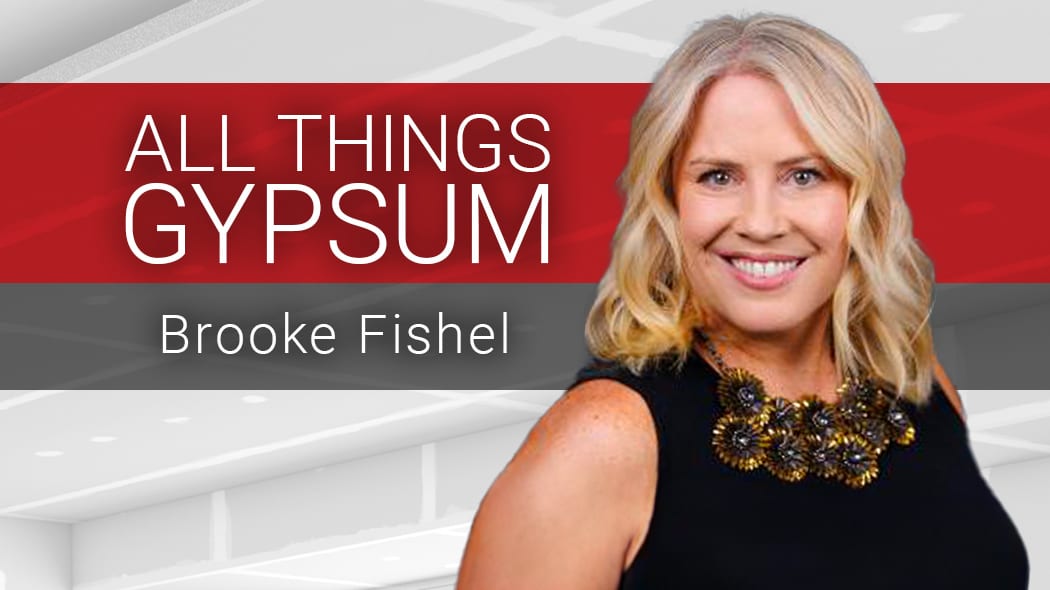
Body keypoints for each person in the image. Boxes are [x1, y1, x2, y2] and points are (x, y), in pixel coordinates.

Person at [455, 12, 1029, 590]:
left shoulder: (917, 383)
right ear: (669, 200)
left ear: (862, 197)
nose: (760, 222)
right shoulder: (603, 438)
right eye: (718, 177)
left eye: (804, 176)